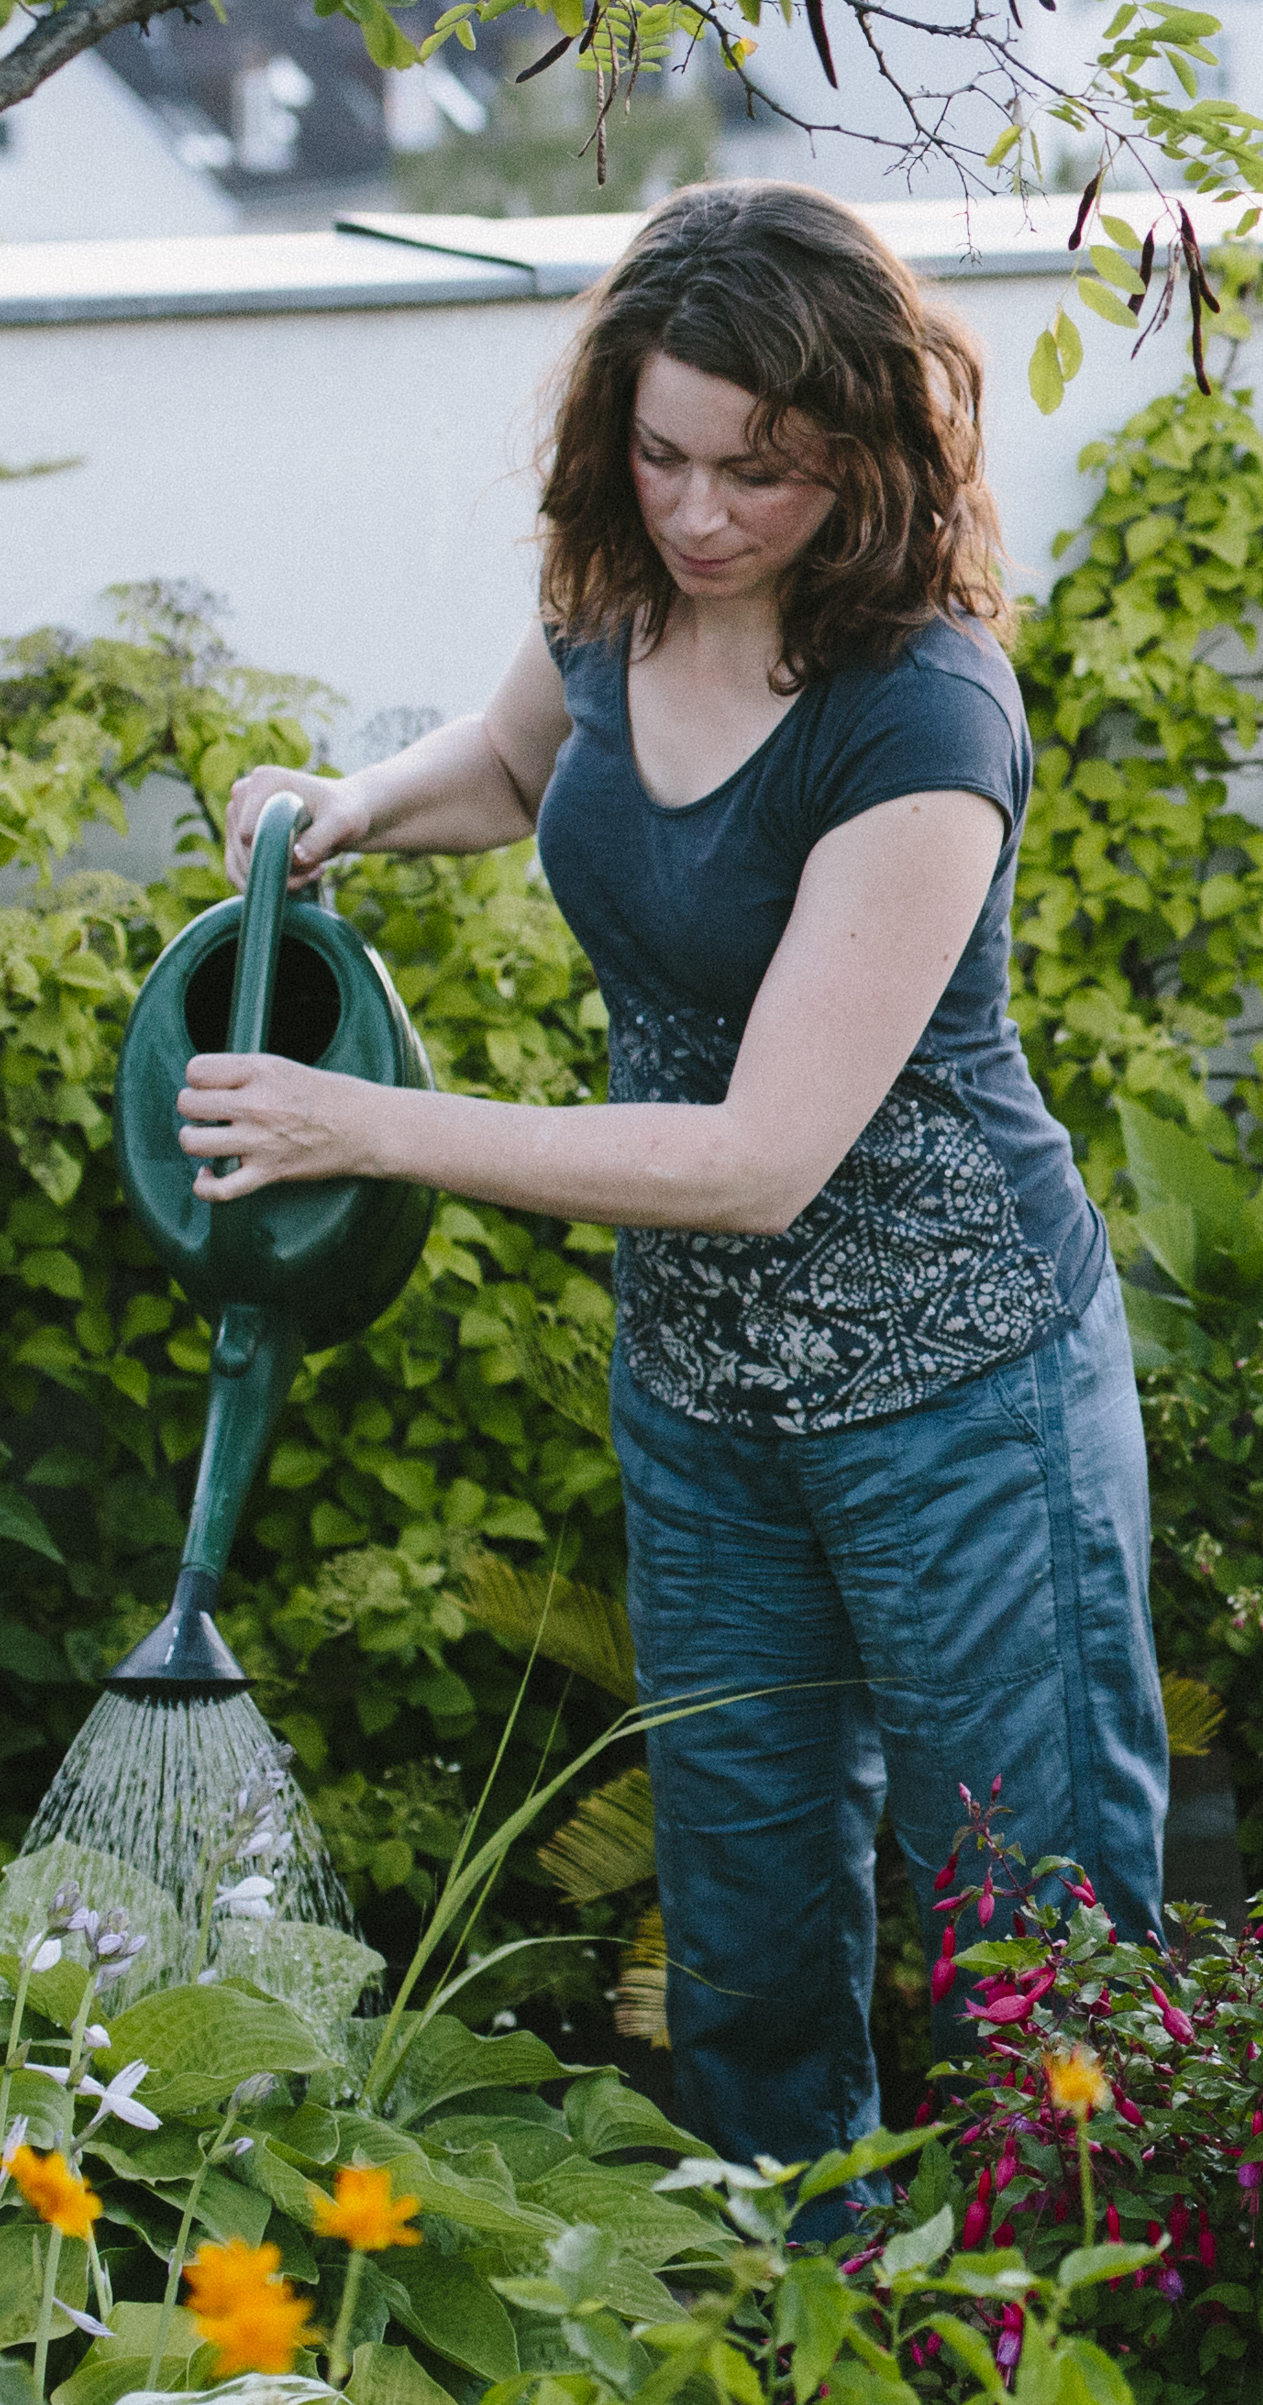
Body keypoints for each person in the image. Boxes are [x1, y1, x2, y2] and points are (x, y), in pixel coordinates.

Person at [180, 180, 1160, 2173]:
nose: (699, 514)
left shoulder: (918, 715)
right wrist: (352, 805)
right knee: (745, 1958)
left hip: (961, 1396)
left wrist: (354, 1122)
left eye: (759, 474)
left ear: (868, 462)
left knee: (1033, 1946)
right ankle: (798, 2383)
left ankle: (1071, 2376)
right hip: (709, 1404)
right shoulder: (617, 596)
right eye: (660, 455)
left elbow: (755, 1159)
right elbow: (527, 765)